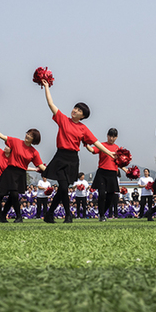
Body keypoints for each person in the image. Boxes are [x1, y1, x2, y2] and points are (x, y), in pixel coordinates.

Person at [39, 79, 114, 223]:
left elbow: (96, 142)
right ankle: (68, 215)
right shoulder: (63, 119)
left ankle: (49, 214)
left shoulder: (83, 128)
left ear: (83, 116)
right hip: (60, 156)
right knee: (62, 187)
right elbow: (51, 104)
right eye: (75, 108)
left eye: (79, 111)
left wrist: (110, 153)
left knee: (63, 189)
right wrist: (47, 87)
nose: (75, 111)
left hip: (73, 159)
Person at [0, 129, 46, 223]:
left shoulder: (34, 152)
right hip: (10, 171)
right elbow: (2, 136)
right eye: (27, 133)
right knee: (13, 194)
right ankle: (18, 216)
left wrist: (52, 172)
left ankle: (2, 216)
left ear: (34, 139)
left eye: (31, 135)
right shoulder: (16, 142)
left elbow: (40, 165)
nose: (28, 136)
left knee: (12, 196)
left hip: (21, 173)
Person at [86, 128, 124, 222]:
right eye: (110, 136)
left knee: (110, 196)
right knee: (102, 194)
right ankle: (102, 215)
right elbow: (92, 150)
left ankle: (102, 213)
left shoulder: (117, 148)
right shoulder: (102, 145)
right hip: (102, 172)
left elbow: (119, 162)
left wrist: (126, 170)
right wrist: (86, 144)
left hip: (112, 173)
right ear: (107, 135)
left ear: (116, 137)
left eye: (113, 136)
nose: (111, 138)